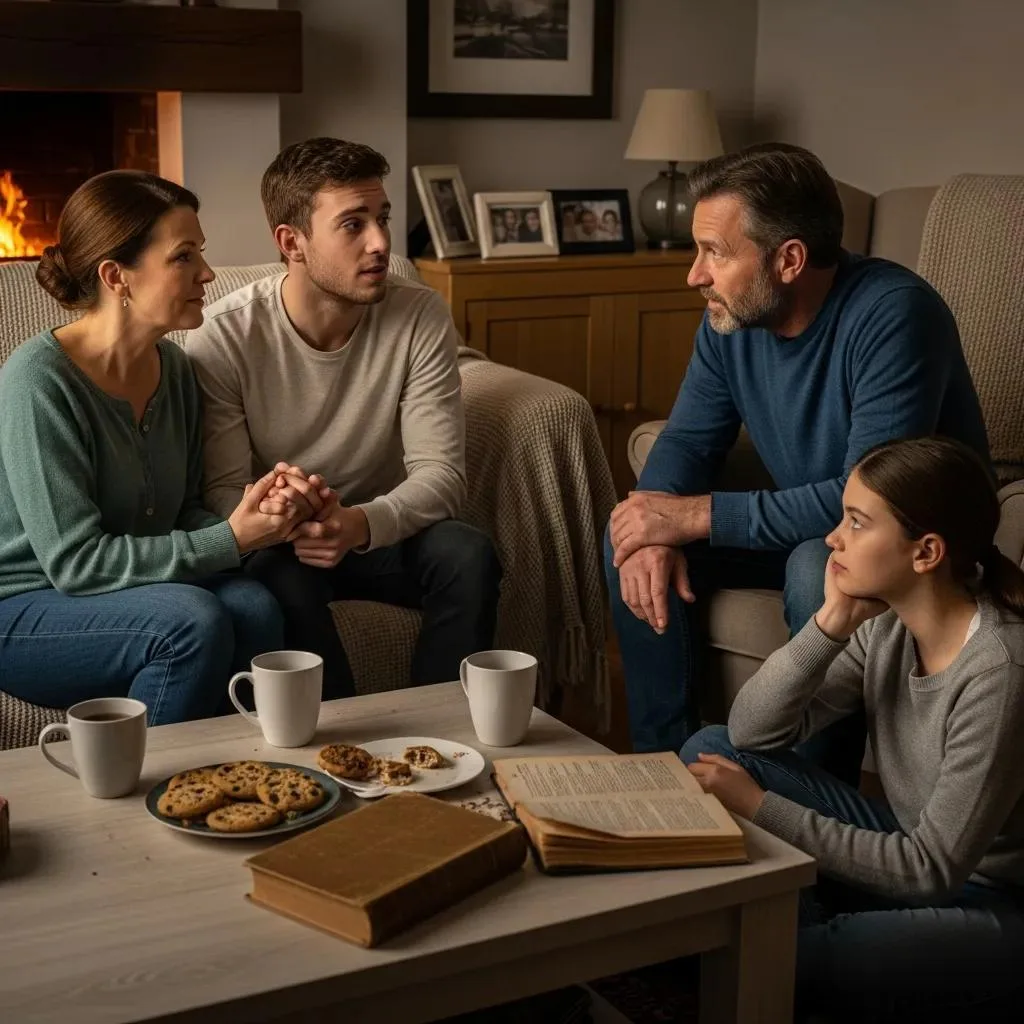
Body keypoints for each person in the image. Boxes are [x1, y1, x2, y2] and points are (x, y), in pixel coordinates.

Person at [605, 142, 989, 775]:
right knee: (628, 532)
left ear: (788, 259)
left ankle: (810, 795)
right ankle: (663, 770)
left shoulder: (895, 314)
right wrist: (652, 521)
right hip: (816, 520)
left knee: (820, 567)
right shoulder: (732, 318)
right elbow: (689, 440)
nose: (695, 275)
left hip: (901, 541)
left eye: (715, 253)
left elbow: (873, 499)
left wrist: (693, 516)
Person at [681, 436, 1024, 1022]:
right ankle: (816, 931)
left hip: (990, 901)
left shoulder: (1000, 671)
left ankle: (807, 936)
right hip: (909, 851)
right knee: (712, 750)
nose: (832, 539)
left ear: (926, 552)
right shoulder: (885, 623)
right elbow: (748, 733)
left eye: (857, 523)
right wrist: (830, 623)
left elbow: (932, 870)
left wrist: (761, 808)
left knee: (779, 958)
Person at [186, 137, 502, 699]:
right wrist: (287, 513)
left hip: (378, 528)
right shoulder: (225, 335)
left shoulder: (419, 313)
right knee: (274, 579)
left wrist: (359, 524)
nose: (381, 242)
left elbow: (441, 475)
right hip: (283, 541)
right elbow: (224, 493)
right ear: (292, 242)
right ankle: (340, 738)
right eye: (353, 224)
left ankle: (443, 732)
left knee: (467, 553)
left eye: (382, 218)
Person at [0, 171, 293, 725]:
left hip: (126, 590)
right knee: (190, 621)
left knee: (254, 606)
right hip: (23, 606)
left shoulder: (175, 370)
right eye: (183, 256)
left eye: (200, 252)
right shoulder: (38, 380)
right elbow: (77, 564)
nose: (207, 273)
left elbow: (182, 513)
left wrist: (257, 515)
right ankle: (148, 779)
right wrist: (230, 538)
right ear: (117, 276)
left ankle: (245, 772)